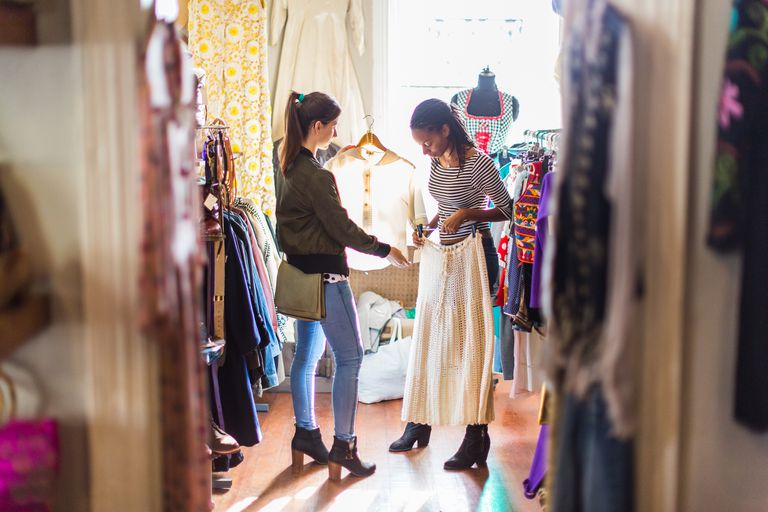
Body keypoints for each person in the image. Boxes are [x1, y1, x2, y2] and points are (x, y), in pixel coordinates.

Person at [275, 91, 410, 481]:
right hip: (328, 280)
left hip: (300, 277)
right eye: (333, 125)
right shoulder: (317, 175)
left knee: (305, 357)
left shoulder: (283, 162)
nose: (336, 131)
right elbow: (342, 228)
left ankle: (306, 434)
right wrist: (385, 249)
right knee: (350, 360)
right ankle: (344, 446)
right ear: (317, 127)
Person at [389, 98, 514, 470]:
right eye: (419, 145)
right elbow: (444, 207)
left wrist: (468, 213)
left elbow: (507, 207)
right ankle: (419, 422)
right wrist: (427, 229)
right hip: (443, 258)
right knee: (430, 338)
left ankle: (476, 436)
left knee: (470, 346)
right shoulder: (435, 161)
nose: (424, 150)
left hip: (476, 256)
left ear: (445, 129)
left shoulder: (478, 162)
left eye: (427, 141)